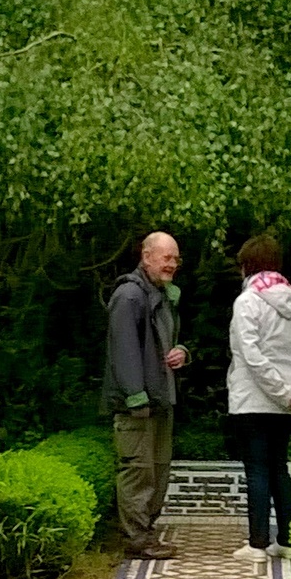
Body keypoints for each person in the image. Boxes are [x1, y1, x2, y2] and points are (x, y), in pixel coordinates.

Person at [226, 233, 291, 562]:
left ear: (247, 266)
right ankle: (287, 541)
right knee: (280, 468)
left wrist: (279, 391)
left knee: (258, 471)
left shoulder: (247, 302)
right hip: (288, 404)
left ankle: (256, 544)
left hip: (252, 400)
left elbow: (249, 355)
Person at [101, 231, 189, 559]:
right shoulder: (129, 295)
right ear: (146, 255)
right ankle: (137, 539)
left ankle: (146, 533)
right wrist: (136, 398)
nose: (172, 264)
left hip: (160, 400)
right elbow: (123, 350)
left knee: (158, 469)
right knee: (138, 470)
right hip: (138, 406)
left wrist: (181, 351)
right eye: (166, 257)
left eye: (175, 259)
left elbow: (167, 343)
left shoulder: (161, 294)